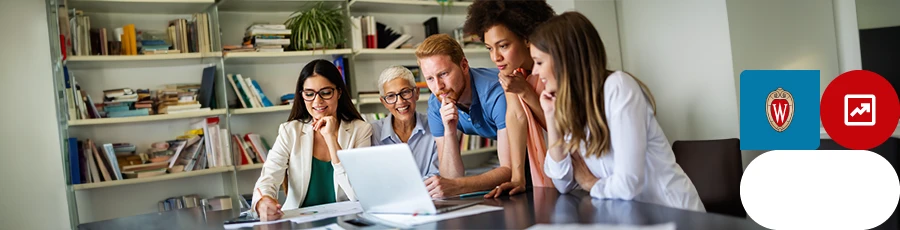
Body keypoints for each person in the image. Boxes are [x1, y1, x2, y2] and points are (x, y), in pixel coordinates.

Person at [532, 12, 706, 212]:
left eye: (539, 62)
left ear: (564, 60)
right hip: (633, 216)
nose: (535, 72)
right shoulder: (572, 106)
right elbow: (562, 184)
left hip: (677, 215)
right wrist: (551, 116)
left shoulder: (618, 87)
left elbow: (628, 185)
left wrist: (589, 182)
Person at [252, 59, 374, 221]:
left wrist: (331, 138)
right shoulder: (290, 132)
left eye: (325, 92)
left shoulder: (361, 130)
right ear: (302, 96)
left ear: (339, 92)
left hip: (345, 222)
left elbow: (358, 193)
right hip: (301, 223)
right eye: (309, 94)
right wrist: (263, 201)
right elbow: (268, 177)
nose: (317, 101)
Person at [463, 0, 556, 197]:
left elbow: (564, 131)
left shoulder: (553, 71)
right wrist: (517, 178)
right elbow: (516, 117)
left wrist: (527, 93)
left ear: (527, 38)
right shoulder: (512, 73)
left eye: (503, 46)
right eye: (489, 48)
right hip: (542, 172)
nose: (495, 57)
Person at [416, 34, 513, 198]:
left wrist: (459, 186)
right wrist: (449, 131)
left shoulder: (497, 92)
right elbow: (450, 178)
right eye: (430, 79)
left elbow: (509, 170)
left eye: (444, 74)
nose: (439, 86)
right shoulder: (435, 105)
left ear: (464, 65)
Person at [369, 66, 439, 179]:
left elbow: (438, 176)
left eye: (405, 92)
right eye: (391, 96)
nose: (400, 102)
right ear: (384, 102)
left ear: (417, 93)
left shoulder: (435, 125)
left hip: (430, 196)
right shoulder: (373, 132)